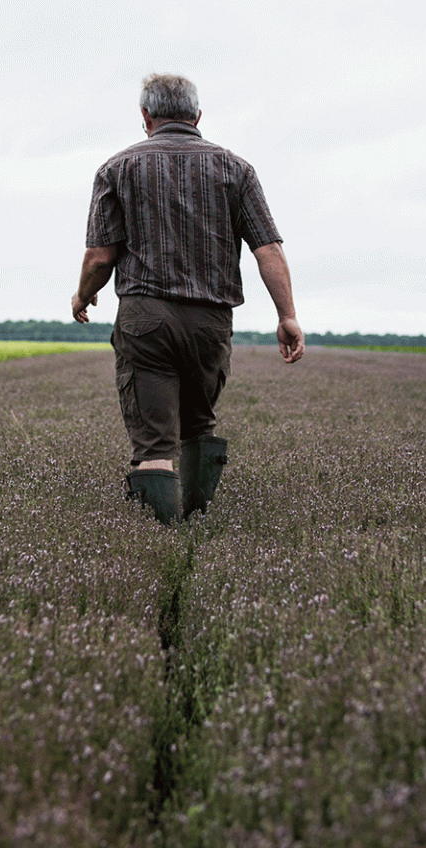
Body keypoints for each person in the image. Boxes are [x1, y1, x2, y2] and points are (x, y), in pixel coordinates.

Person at [72, 73, 304, 525]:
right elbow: (268, 250)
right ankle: (197, 528)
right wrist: (287, 316)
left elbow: (100, 257)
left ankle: (160, 540)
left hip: (146, 319)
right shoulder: (236, 169)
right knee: (199, 426)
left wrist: (83, 295)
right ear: (197, 115)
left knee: (155, 445)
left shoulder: (116, 168)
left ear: (145, 116)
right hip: (210, 322)